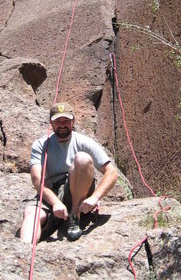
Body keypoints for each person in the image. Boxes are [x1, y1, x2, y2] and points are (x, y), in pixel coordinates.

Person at [20, 102, 118, 243]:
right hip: (53, 190)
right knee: (31, 213)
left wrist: (95, 198)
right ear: (51, 123)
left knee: (83, 159)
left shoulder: (84, 142)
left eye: (66, 120)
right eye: (58, 121)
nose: (62, 124)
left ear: (73, 121)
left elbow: (111, 172)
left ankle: (75, 215)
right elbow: (37, 179)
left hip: (79, 189)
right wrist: (55, 203)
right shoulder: (41, 145)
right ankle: (25, 253)